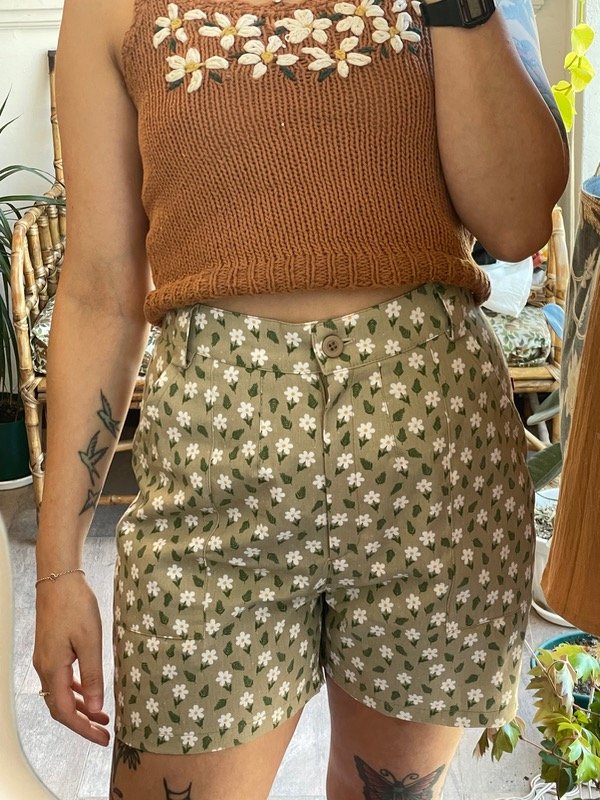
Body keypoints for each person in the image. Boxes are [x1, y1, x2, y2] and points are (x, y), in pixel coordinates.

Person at [32, 0, 569, 797]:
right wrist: (57, 567)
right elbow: (100, 291)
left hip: (434, 486)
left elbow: (519, 219)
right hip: (209, 495)